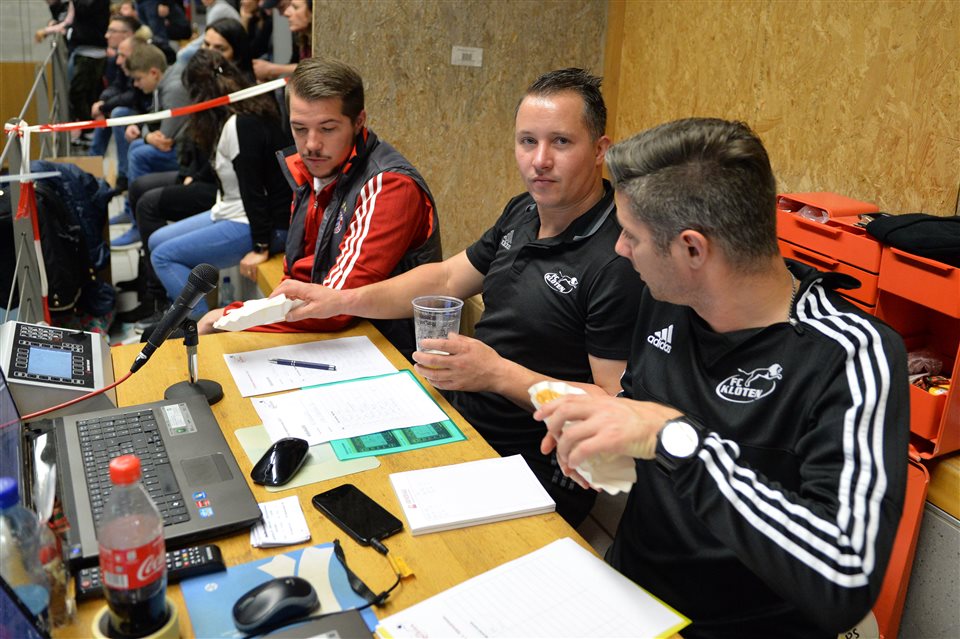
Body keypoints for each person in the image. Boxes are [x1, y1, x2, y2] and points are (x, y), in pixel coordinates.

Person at [535, 117, 909, 637]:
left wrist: (676, 440)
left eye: (632, 235)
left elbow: (844, 576)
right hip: (627, 598)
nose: (620, 248)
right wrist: (603, 444)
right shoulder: (666, 297)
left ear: (692, 249)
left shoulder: (850, 354)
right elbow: (643, 417)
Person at [251, 68, 642, 527]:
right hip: (458, 422)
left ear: (599, 150)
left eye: (561, 142)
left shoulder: (618, 256)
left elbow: (615, 404)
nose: (539, 160)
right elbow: (447, 278)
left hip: (534, 465)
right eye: (527, 141)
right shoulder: (523, 210)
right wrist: (340, 300)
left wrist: (497, 374)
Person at [197, 56, 441, 351]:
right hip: (335, 338)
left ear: (358, 122)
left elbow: (334, 305)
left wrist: (229, 316)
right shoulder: (310, 171)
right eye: (300, 129)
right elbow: (297, 276)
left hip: (388, 350)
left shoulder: (388, 185)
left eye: (327, 128)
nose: (311, 144)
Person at [141, 49, 291, 327]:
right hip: (235, 210)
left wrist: (261, 246)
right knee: (156, 241)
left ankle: (197, 326)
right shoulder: (240, 113)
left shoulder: (241, 125)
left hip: (259, 224)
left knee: (163, 256)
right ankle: (185, 310)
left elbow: (254, 190)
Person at [111, 39, 191, 248]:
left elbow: (165, 138)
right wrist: (145, 133)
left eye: (138, 79)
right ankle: (133, 212)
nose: (136, 85)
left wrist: (145, 136)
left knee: (139, 153)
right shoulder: (164, 81)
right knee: (137, 146)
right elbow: (154, 121)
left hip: (187, 156)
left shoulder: (173, 88)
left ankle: (139, 224)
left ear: (154, 72)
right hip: (181, 146)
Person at [88, 16, 151, 193]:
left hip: (143, 111)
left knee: (117, 114)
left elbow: (134, 95)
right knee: (109, 114)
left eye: (112, 31)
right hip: (135, 107)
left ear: (127, 35)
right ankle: (91, 168)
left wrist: (105, 107)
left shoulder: (142, 59)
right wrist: (102, 102)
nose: (106, 35)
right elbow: (117, 85)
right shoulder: (121, 58)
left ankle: (123, 175)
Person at [252, 0, 310, 81]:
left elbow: (317, 69)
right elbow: (296, 61)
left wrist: (272, 69)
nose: (286, 13)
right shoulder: (300, 35)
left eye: (295, 7)